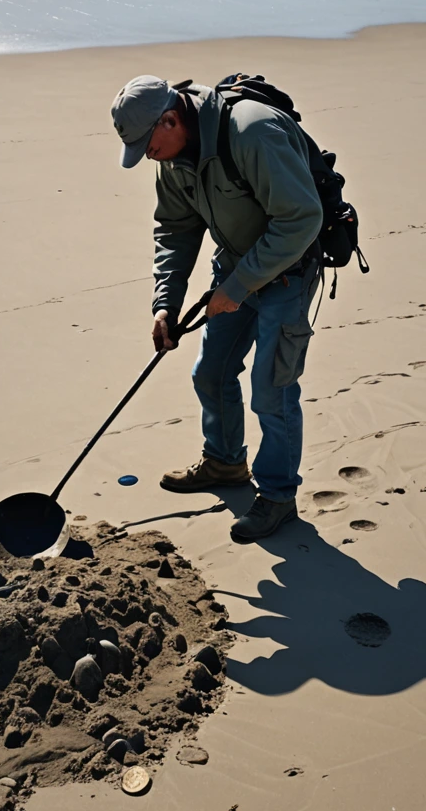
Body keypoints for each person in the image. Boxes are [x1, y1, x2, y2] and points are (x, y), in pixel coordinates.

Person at [110, 74, 323, 542]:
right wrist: (166, 304)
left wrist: (242, 285)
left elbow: (302, 219)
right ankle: (226, 465)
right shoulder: (173, 157)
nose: (148, 154)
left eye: (148, 143)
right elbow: (175, 230)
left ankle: (278, 497)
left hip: (289, 268)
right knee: (211, 372)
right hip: (235, 267)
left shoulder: (253, 131)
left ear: (170, 118)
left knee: (272, 389)